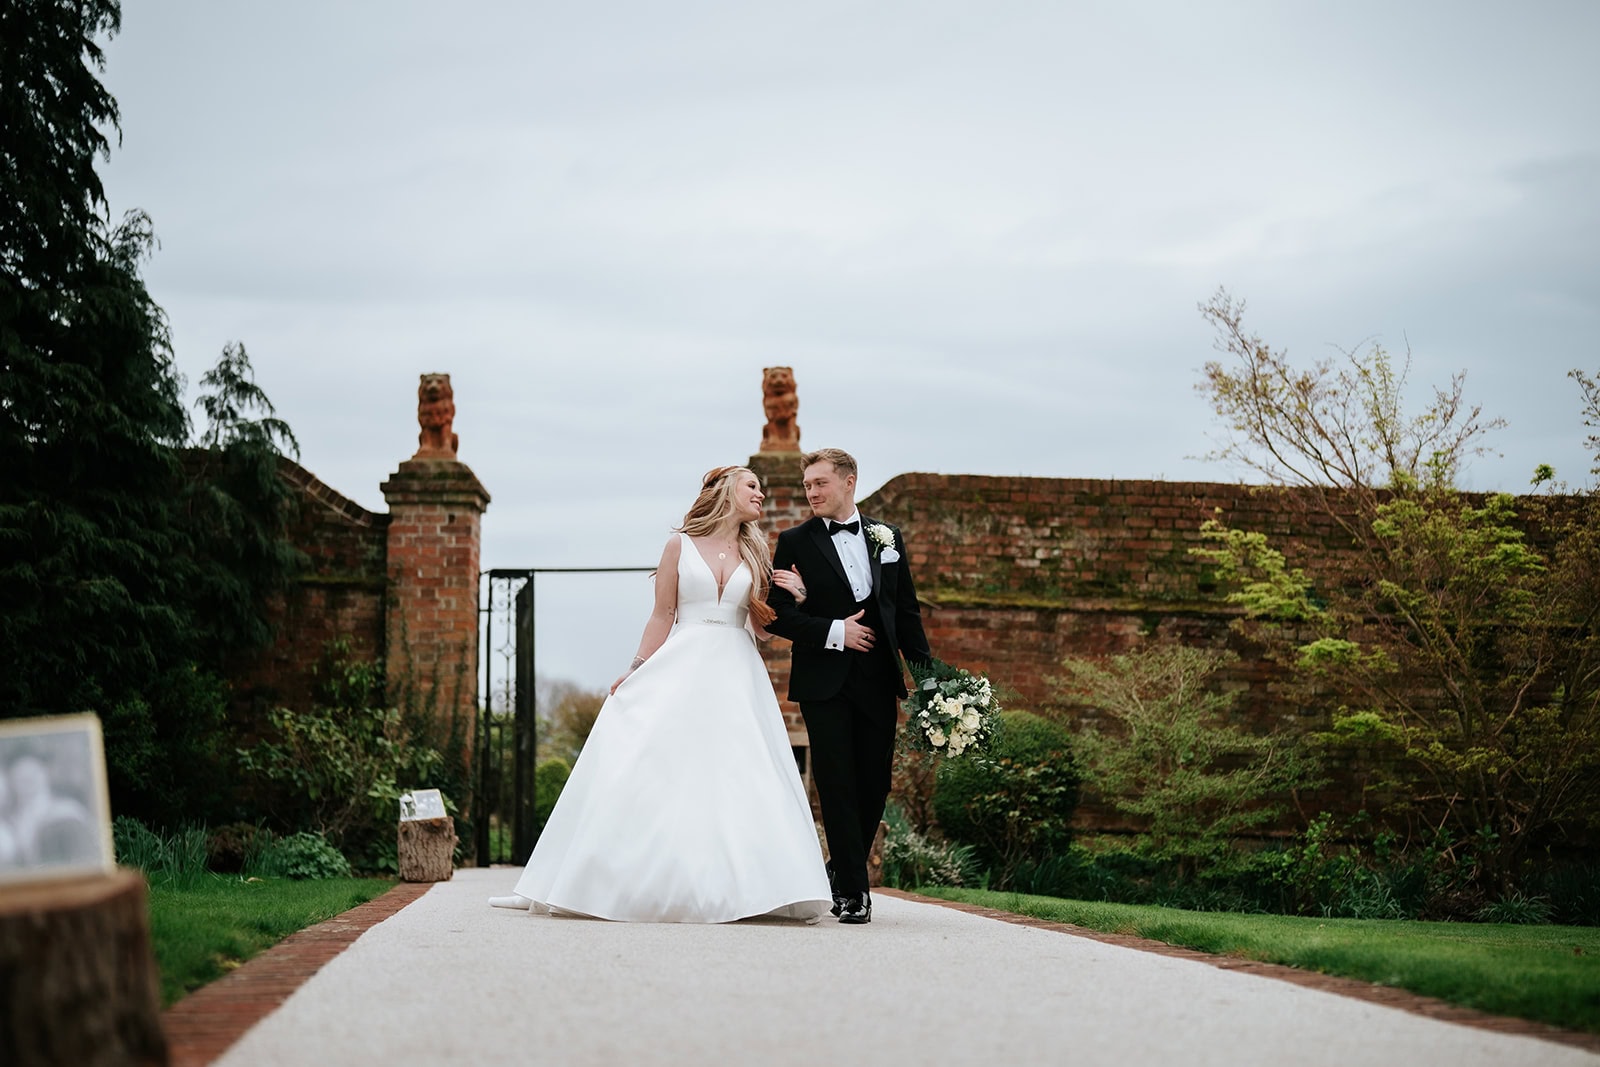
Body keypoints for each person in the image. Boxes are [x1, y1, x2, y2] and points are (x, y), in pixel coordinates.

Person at [489, 466, 831, 923]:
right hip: (683, 661)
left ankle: (748, 888)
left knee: (736, 773)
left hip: (737, 670)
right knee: (650, 761)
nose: (761, 493)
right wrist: (635, 668)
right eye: (753, 485)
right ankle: (563, 879)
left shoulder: (755, 550)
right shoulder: (679, 546)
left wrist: (801, 599)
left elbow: (763, 630)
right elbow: (662, 614)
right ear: (726, 490)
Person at [766, 448, 932, 925]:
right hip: (825, 680)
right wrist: (836, 631)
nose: (812, 493)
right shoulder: (794, 541)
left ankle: (840, 869)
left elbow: (906, 612)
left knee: (875, 782)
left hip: (879, 678)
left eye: (820, 484)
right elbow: (778, 615)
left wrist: (930, 679)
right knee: (837, 782)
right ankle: (855, 894)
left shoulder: (887, 537)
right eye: (807, 486)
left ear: (849, 482)